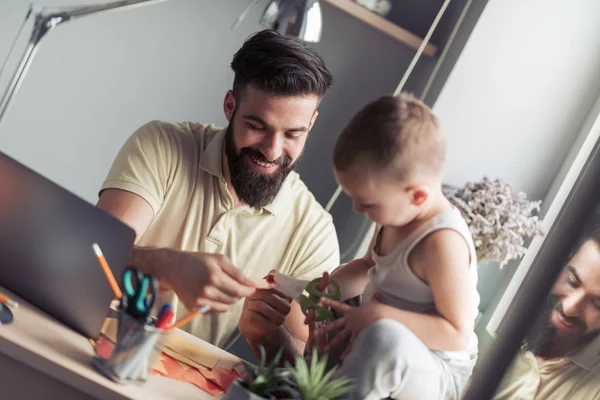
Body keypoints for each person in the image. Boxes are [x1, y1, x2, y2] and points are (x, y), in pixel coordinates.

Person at [96, 29, 340, 363]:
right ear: (230, 106)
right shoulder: (161, 144)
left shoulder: (313, 230)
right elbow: (93, 251)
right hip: (93, 344)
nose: (272, 150)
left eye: (292, 134)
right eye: (257, 126)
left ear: (310, 125)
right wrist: (164, 265)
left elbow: (313, 368)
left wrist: (267, 336)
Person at [307, 93, 480, 400]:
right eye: (353, 197)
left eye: (367, 202)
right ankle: (314, 389)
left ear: (417, 196)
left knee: (383, 337)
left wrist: (379, 316)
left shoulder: (442, 243)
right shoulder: (396, 215)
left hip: (435, 369)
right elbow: (367, 267)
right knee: (332, 314)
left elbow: (455, 333)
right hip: (380, 336)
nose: (358, 209)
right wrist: (329, 292)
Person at [493, 224, 600, 399]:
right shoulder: (499, 312)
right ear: (564, 261)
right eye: (572, 281)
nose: (569, 308)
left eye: (597, 304)